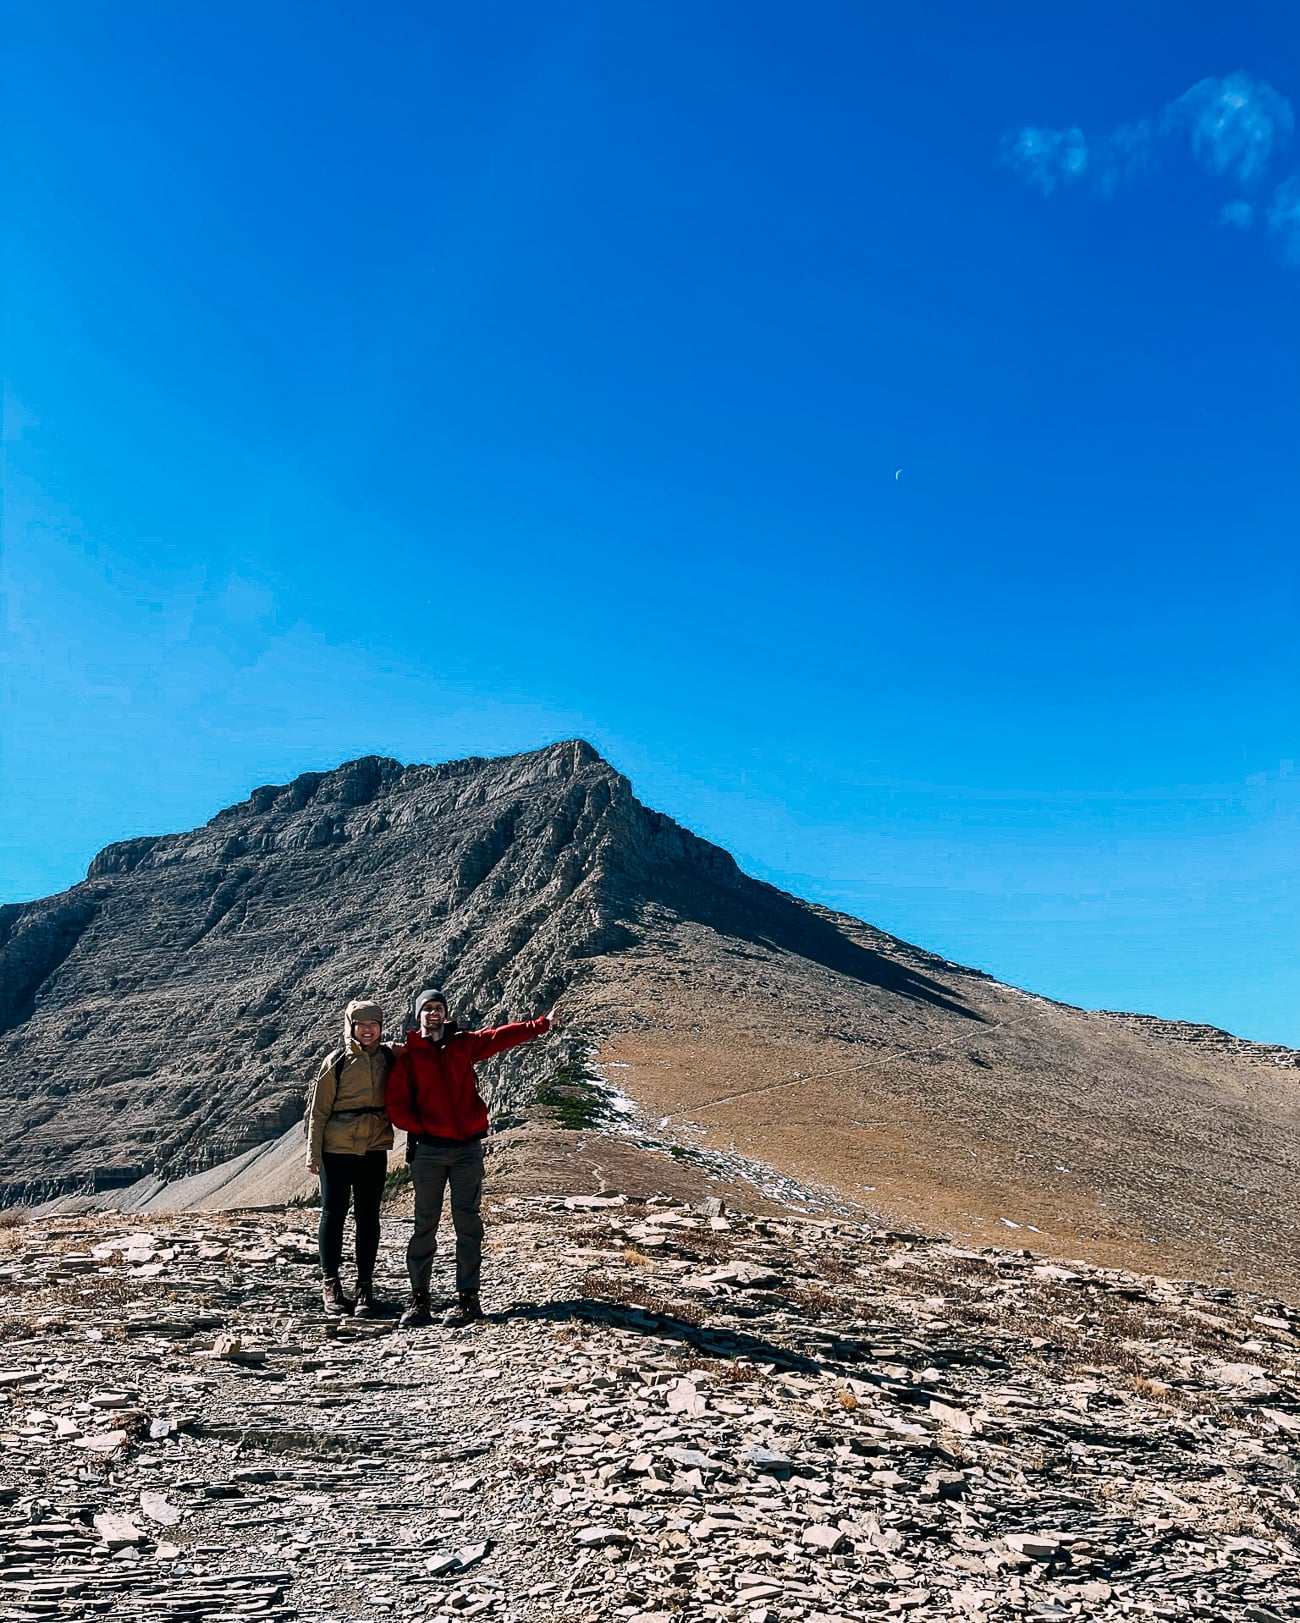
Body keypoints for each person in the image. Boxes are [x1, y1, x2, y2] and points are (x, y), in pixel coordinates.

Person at [387, 988, 560, 1327]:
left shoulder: (463, 1043)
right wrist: (422, 1126)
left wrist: (541, 1025)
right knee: (425, 1224)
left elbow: (498, 1037)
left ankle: (468, 1299)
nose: (433, 1014)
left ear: (445, 1013)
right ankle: (420, 1299)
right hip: (428, 1151)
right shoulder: (408, 1057)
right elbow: (395, 1105)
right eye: (427, 1009)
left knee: (468, 1223)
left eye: (438, 1008)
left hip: (467, 1148)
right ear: (417, 1015)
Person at [305, 997, 395, 1319]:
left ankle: (364, 1288)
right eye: (361, 1025)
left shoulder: (389, 1056)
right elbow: (318, 1112)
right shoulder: (337, 1061)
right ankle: (331, 1284)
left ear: (381, 1027)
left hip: (374, 1147)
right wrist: (313, 1153)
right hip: (337, 1148)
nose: (367, 1030)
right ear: (351, 1027)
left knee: (369, 1217)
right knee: (334, 1214)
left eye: (373, 1024)